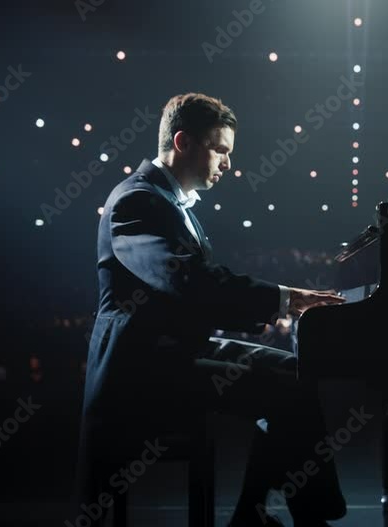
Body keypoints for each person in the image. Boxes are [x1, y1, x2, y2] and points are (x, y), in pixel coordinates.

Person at [75, 93, 347, 527]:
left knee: (296, 373)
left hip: (174, 353)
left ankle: (255, 512)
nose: (228, 163)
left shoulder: (170, 204)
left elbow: (196, 288)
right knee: (286, 389)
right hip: (141, 371)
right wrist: (283, 298)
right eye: (221, 149)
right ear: (182, 142)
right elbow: (187, 281)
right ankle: (290, 516)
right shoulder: (134, 201)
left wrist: (272, 306)